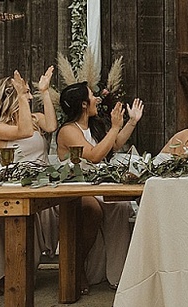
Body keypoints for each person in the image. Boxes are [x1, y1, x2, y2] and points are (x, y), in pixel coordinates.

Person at [55, 82, 144, 293]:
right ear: (83, 104)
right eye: (92, 95)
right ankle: (76, 266)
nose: (97, 98)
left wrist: (131, 122)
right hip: (75, 187)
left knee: (121, 207)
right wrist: (114, 127)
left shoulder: (93, 126)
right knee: (92, 210)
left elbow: (114, 145)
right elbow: (94, 156)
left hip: (99, 184)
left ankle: (118, 274)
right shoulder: (68, 131)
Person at [0, 68, 58, 298]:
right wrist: (21, 96)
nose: (30, 97)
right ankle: (9, 277)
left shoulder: (35, 119)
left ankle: (21, 274)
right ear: (13, 97)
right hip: (16, 187)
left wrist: (45, 92)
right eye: (26, 93)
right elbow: (24, 132)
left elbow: (51, 126)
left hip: (43, 183)